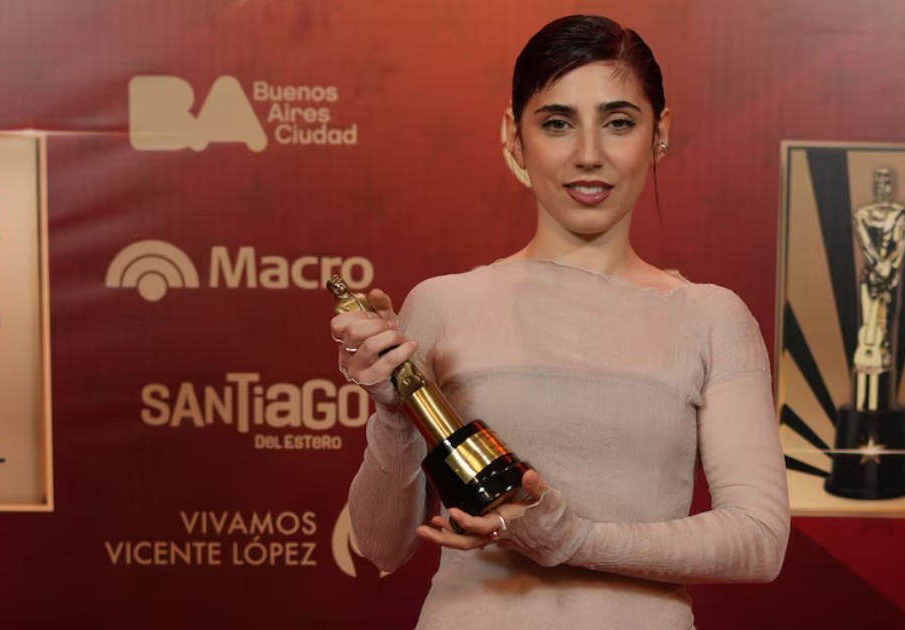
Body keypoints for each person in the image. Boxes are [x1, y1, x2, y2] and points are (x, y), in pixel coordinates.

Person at [331, 14, 789, 630]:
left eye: (619, 122)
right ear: (514, 137)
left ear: (660, 133)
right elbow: (382, 546)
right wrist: (392, 412)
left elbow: (759, 541)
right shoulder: (442, 304)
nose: (589, 156)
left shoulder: (711, 317)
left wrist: (573, 539)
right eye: (557, 123)